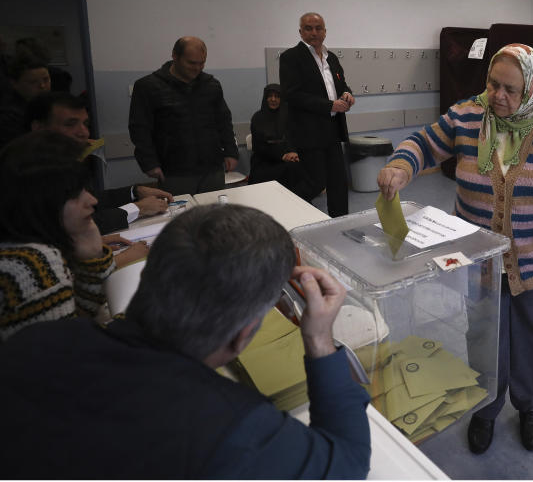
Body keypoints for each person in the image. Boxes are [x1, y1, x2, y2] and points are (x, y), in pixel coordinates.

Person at [0, 204, 371, 478]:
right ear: (243, 334)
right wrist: (320, 339)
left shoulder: (34, 341)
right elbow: (349, 464)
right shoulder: (232, 429)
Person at [377, 43, 533, 454]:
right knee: (482, 333)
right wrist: (401, 164)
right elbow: (425, 143)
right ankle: (485, 406)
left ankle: (530, 405)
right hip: (480, 258)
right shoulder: (468, 115)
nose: (498, 96)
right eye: (492, 84)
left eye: (510, 89)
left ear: (531, 87)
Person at [0, 130, 117, 341]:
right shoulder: (30, 264)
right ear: (39, 201)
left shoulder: (16, 250)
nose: (92, 200)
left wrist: (92, 258)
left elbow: (75, 323)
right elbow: (68, 357)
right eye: (73, 193)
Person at [27, 91, 174, 233]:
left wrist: (135, 192)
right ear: (39, 128)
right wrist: (138, 209)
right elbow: (71, 224)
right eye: (70, 124)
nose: (84, 132)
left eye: (85, 123)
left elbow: (93, 200)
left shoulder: (62, 163)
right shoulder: (30, 172)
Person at [128, 36, 239, 196]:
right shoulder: (148, 87)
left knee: (214, 215)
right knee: (181, 218)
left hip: (212, 167)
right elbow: (140, 129)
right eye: (191, 63)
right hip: (174, 171)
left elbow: (224, 122)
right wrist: (149, 163)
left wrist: (230, 152)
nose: (197, 68)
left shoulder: (211, 85)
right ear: (175, 56)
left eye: (202, 63)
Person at [279, 13, 355, 216]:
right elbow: (292, 95)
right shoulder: (290, 58)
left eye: (318, 28)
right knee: (314, 183)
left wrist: (347, 93)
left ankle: (340, 223)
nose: (314, 32)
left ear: (325, 31)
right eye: (308, 28)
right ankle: (287, 215)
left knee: (339, 182)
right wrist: (330, 105)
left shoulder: (332, 58)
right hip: (308, 131)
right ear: (300, 32)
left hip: (333, 130)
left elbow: (341, 84)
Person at [249, 83, 314, 201]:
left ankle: (299, 205)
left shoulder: (288, 116)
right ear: (265, 98)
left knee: (300, 167)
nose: (273, 99)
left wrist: (294, 152)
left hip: (288, 158)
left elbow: (294, 138)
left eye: (277, 96)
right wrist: (282, 155)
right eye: (270, 96)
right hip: (264, 161)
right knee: (290, 170)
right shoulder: (258, 118)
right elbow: (259, 147)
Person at [0, 51, 50, 150]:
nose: (42, 86)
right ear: (14, 83)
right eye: (33, 82)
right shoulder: (8, 116)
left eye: (46, 79)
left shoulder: (51, 103)